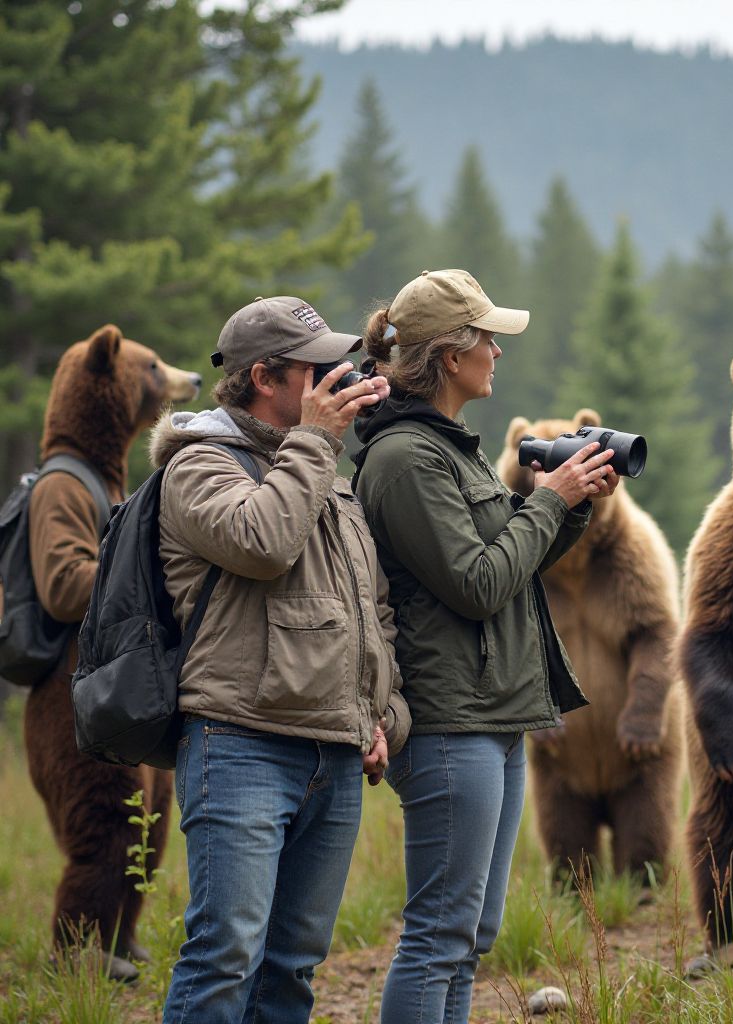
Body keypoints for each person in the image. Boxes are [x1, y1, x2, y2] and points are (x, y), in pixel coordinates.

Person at [351, 269, 618, 1024]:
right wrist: (549, 501)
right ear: (449, 356)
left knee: (470, 937)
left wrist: (570, 505)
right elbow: (477, 582)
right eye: (487, 339)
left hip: (493, 716)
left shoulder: (449, 448)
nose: (497, 352)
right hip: (450, 723)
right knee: (439, 934)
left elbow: (511, 560)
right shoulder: (406, 459)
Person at [154, 296, 411, 1024]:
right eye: (316, 369)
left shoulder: (324, 477)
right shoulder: (199, 464)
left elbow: (372, 612)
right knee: (226, 956)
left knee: (292, 967)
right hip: (240, 743)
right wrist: (316, 440)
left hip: (335, 752)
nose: (338, 379)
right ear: (265, 378)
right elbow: (261, 543)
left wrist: (383, 715)